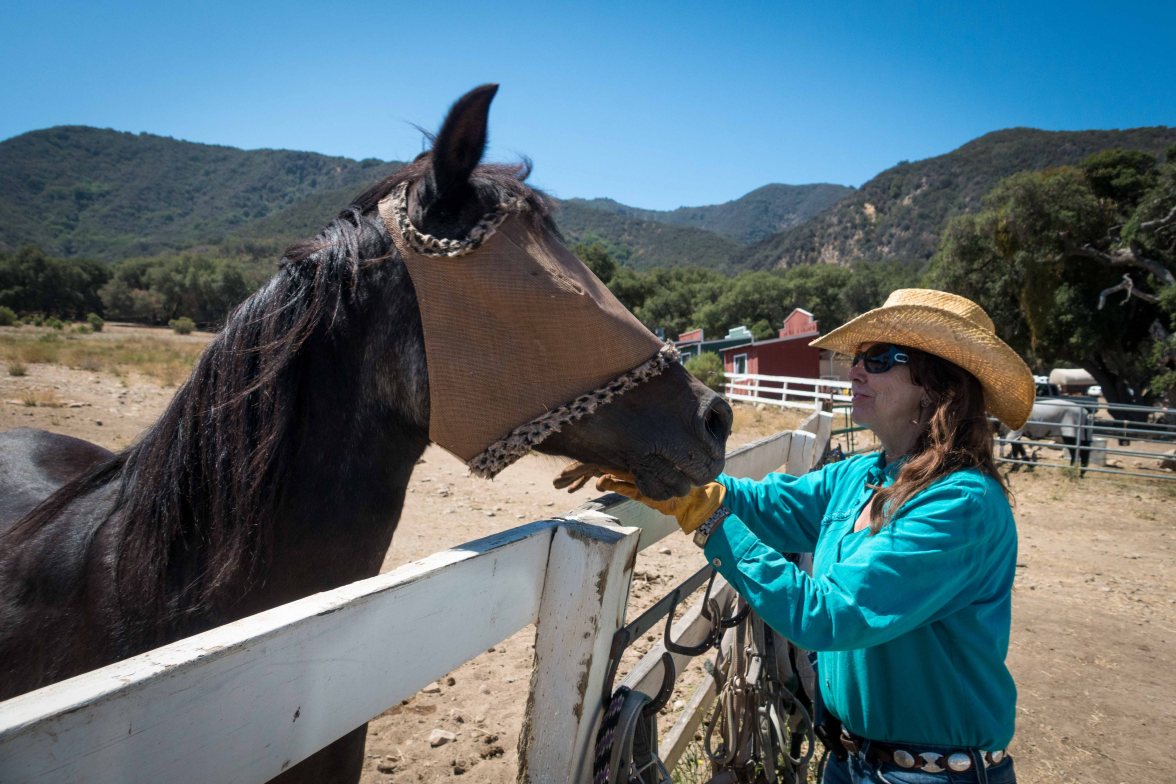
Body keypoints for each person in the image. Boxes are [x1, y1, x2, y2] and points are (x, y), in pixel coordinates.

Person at [599, 289, 1034, 784]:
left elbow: (829, 614)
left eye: (877, 358)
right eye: (856, 357)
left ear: (937, 386)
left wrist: (707, 519)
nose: (855, 371)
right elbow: (767, 504)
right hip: (853, 761)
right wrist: (671, 470)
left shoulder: (961, 503)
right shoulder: (862, 476)